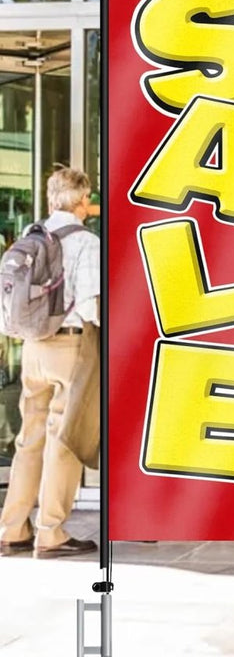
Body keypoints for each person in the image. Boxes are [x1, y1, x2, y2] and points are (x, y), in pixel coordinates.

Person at [0, 168, 99, 559]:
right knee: (63, 440)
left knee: (30, 440)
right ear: (82, 201)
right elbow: (89, 305)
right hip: (68, 347)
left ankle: (12, 528)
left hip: (33, 349)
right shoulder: (85, 241)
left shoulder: (32, 234)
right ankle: (51, 532)